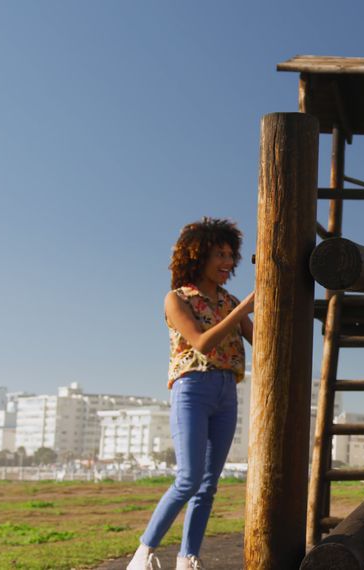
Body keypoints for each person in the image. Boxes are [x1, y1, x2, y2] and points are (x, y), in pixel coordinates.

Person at [128, 218, 254, 570]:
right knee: (188, 478)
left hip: (228, 392)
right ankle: (144, 554)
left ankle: (188, 559)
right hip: (192, 389)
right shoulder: (177, 299)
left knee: (208, 485)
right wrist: (243, 309)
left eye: (231, 255)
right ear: (199, 256)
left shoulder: (228, 300)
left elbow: (260, 340)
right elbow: (202, 343)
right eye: (220, 254)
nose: (228, 262)